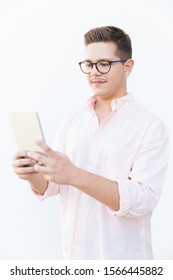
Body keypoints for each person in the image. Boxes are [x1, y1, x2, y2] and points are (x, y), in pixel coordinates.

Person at [12, 26, 169, 260]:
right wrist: (31, 173)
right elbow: (52, 186)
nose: (94, 72)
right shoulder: (72, 122)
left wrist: (74, 174)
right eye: (89, 64)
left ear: (128, 67)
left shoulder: (150, 126)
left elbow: (143, 200)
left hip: (123, 263)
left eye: (104, 63)